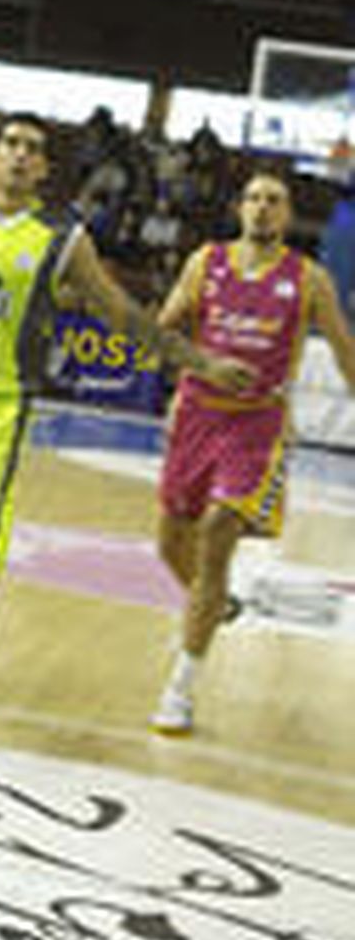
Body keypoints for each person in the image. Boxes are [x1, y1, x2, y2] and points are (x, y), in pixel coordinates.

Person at [0, 114, 252, 749]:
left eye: (33, 149)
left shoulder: (64, 237)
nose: (20, 156)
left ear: (45, 169)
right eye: (10, 144)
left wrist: (201, 364)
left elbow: (124, 315)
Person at [149, 169, 355, 736]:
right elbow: (160, 332)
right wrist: (199, 367)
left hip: (256, 424)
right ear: (240, 208)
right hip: (196, 414)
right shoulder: (203, 262)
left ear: (288, 216)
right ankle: (213, 605)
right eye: (254, 199)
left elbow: (344, 350)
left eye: (275, 201)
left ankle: (181, 686)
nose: (263, 208)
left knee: (218, 531)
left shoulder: (309, 279)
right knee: (170, 543)